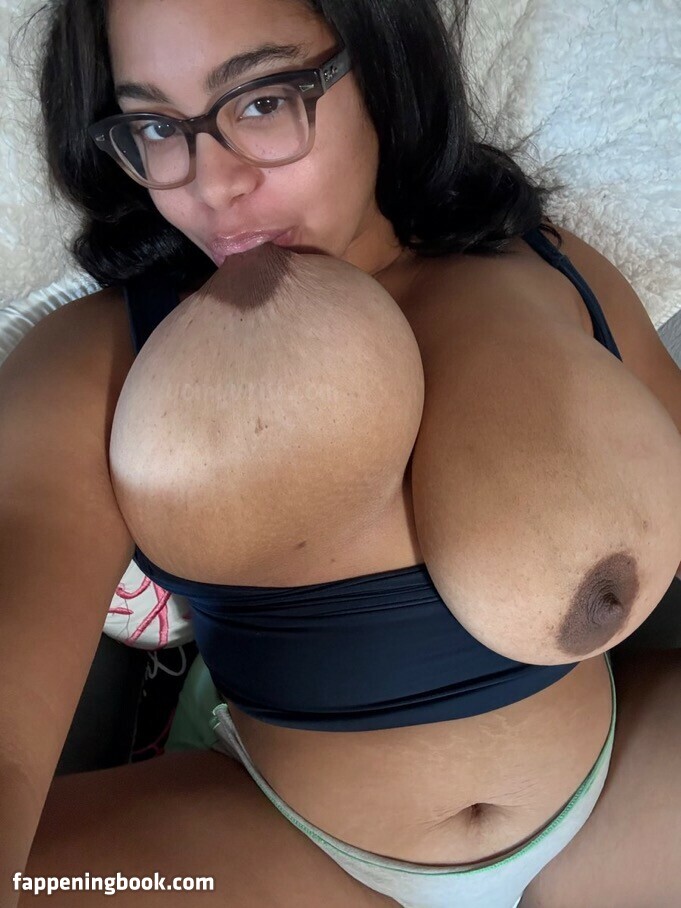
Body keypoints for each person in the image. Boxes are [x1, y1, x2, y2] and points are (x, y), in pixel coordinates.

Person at [1, 0, 680, 905]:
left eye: (261, 101)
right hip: (279, 852)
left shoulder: (549, 273)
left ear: (378, 65)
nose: (213, 184)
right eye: (158, 127)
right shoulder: (102, 358)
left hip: (621, 803)